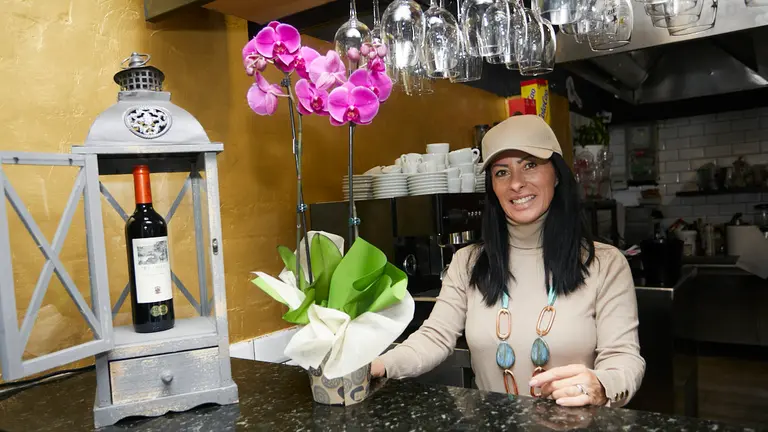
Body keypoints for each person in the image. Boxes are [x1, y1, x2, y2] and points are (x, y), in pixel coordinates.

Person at [372, 115, 644, 407]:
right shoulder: (468, 263)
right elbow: (434, 337)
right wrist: (376, 366)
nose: (516, 183)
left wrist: (603, 385)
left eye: (530, 165)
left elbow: (623, 358)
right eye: (502, 172)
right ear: (492, 187)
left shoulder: (605, 264)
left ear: (556, 174)